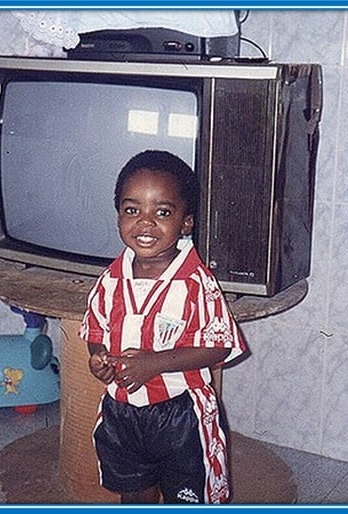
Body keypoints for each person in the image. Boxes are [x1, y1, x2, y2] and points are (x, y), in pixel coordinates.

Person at [80, 150, 247, 504]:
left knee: (186, 497)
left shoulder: (196, 283)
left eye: (162, 212)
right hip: (122, 412)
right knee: (133, 492)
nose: (145, 222)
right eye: (132, 210)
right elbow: (96, 331)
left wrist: (153, 364)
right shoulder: (110, 279)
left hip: (180, 414)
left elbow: (219, 346)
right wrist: (99, 359)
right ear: (118, 216)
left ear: (185, 223)